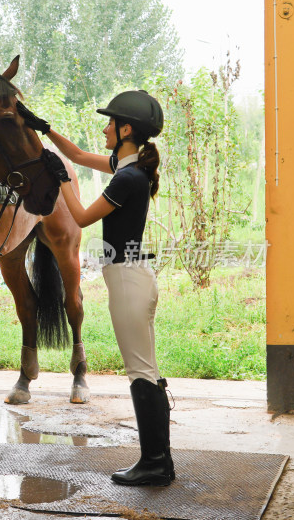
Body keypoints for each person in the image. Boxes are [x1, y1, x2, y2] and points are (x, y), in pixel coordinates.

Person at [37, 90, 175, 487]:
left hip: (128, 280)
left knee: (141, 372)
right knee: (146, 370)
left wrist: (60, 178)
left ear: (125, 129)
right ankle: (159, 459)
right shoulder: (128, 166)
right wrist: (46, 131)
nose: (104, 128)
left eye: (109, 123)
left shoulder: (128, 178)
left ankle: (154, 462)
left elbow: (79, 218)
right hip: (133, 278)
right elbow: (79, 155)